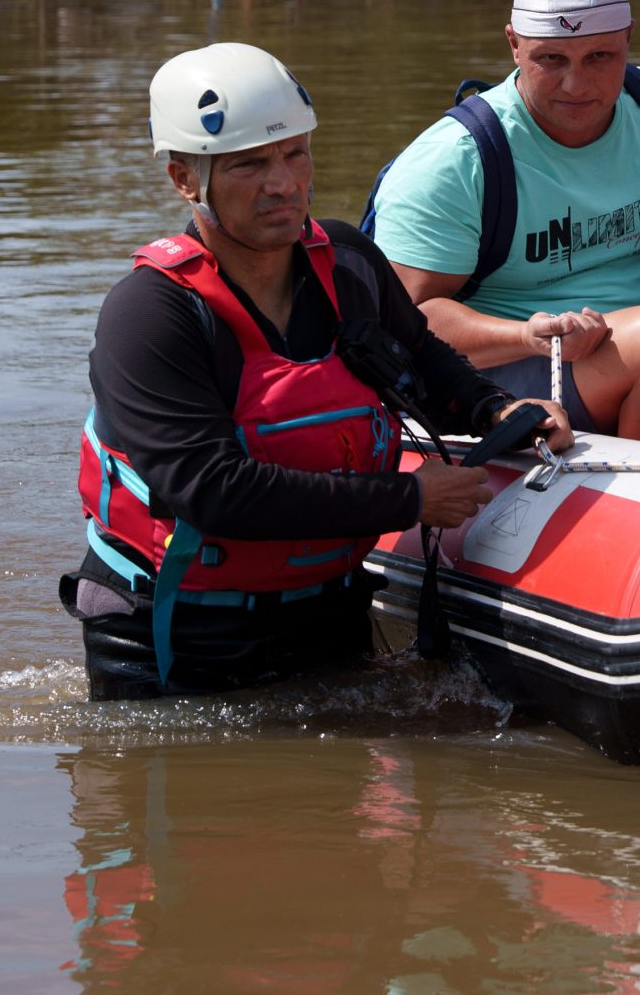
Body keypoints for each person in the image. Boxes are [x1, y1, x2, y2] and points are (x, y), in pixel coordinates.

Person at [68, 42, 572, 700]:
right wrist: (412, 500)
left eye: (295, 153)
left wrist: (495, 409)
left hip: (327, 615)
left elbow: (423, 357)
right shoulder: (150, 313)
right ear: (185, 180)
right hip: (175, 640)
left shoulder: (350, 263)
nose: (284, 182)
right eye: (251, 164)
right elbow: (209, 489)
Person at [368, 0, 640, 448]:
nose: (576, 86)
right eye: (552, 60)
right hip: (511, 373)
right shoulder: (455, 161)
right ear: (514, 45)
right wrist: (527, 335)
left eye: (600, 57)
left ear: (629, 37)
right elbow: (403, 324)